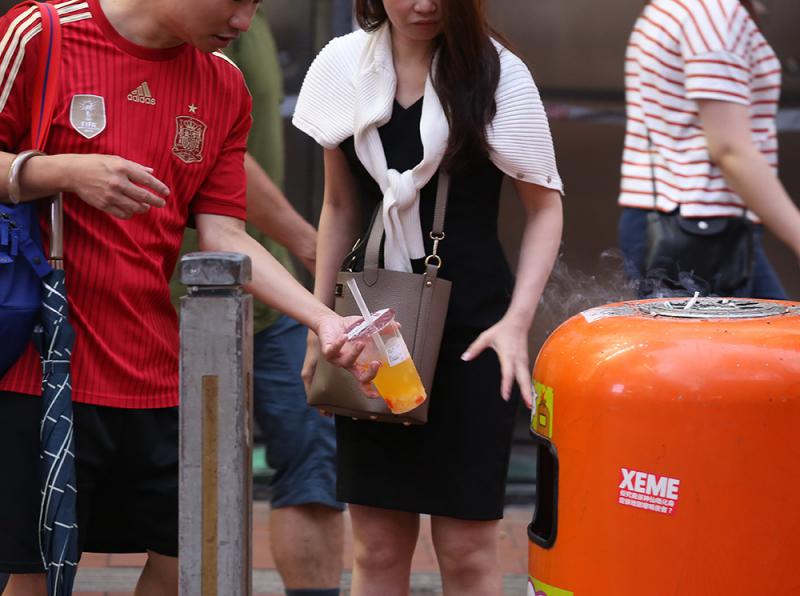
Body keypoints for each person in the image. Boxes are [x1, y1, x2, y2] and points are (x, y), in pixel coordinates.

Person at [0, 1, 376, 595]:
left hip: (157, 375)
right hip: (42, 371)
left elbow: (226, 234)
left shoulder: (224, 84)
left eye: (256, 4)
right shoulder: (42, 33)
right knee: (39, 576)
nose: (244, 21)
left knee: (188, 560)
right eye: (234, 1)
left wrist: (324, 320)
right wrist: (63, 172)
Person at [294, 1, 564, 593]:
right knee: (377, 546)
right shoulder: (342, 65)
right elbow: (339, 206)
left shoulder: (497, 73)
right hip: (371, 325)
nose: (423, 4)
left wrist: (517, 323)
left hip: (475, 331)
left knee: (468, 549)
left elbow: (546, 207)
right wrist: (322, 325)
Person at [170, 9, 345, 595]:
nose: (242, 17)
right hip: (182, 298)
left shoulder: (249, 18)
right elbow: (209, 144)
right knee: (188, 476)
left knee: (314, 458)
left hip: (270, 288)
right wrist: (309, 244)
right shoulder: (207, 17)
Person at [618, 0, 800, 299]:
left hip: (681, 223)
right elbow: (729, 150)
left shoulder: (678, 8)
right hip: (699, 230)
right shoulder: (712, 14)